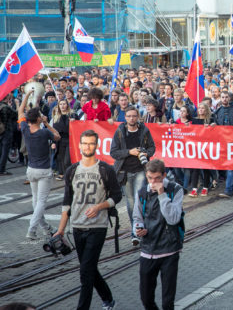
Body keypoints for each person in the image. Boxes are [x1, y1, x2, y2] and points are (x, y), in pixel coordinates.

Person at [55, 129, 122, 310]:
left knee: (85, 272)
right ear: (80, 145)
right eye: (85, 143)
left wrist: (100, 207)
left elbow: (117, 195)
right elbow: (67, 201)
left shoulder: (105, 169)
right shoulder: (71, 170)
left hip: (97, 227)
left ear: (96, 145)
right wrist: (61, 229)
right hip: (77, 226)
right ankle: (108, 299)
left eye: (91, 143)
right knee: (89, 268)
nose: (87, 146)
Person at [132, 159, 184, 310]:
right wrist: (139, 228)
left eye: (157, 178)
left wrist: (162, 195)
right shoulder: (142, 192)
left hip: (170, 250)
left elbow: (173, 219)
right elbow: (137, 217)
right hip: (148, 250)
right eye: (150, 178)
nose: (153, 182)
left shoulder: (175, 190)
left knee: (168, 302)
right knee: (146, 298)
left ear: (164, 175)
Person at [110, 106, 156, 246]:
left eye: (134, 116)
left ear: (138, 117)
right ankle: (135, 230)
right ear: (125, 117)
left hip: (141, 170)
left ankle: (140, 229)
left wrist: (145, 153)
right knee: (131, 203)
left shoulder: (144, 130)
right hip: (125, 172)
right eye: (129, 116)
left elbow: (152, 148)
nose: (131, 118)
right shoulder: (120, 131)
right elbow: (114, 152)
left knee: (138, 200)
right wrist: (129, 152)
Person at [19, 89, 61, 239]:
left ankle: (46, 227)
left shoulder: (25, 129)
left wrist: (27, 96)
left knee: (36, 201)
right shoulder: (44, 132)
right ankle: (31, 230)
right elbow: (57, 136)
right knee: (41, 202)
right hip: (43, 171)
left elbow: (20, 111)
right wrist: (47, 123)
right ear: (38, 119)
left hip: (31, 170)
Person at [50, 99, 76, 180]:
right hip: (60, 140)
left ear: (67, 105)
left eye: (64, 104)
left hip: (70, 139)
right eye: (61, 104)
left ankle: (68, 174)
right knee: (60, 158)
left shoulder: (72, 114)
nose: (62, 106)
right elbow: (54, 131)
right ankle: (63, 174)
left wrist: (74, 122)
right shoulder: (56, 117)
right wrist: (53, 142)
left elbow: (78, 126)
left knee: (67, 160)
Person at [0, 94, 18, 175]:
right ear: (7, 98)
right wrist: (17, 104)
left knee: (0, 150)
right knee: (5, 151)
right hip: (6, 130)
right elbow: (17, 114)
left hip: (0, 131)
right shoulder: (6, 107)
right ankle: (2, 169)